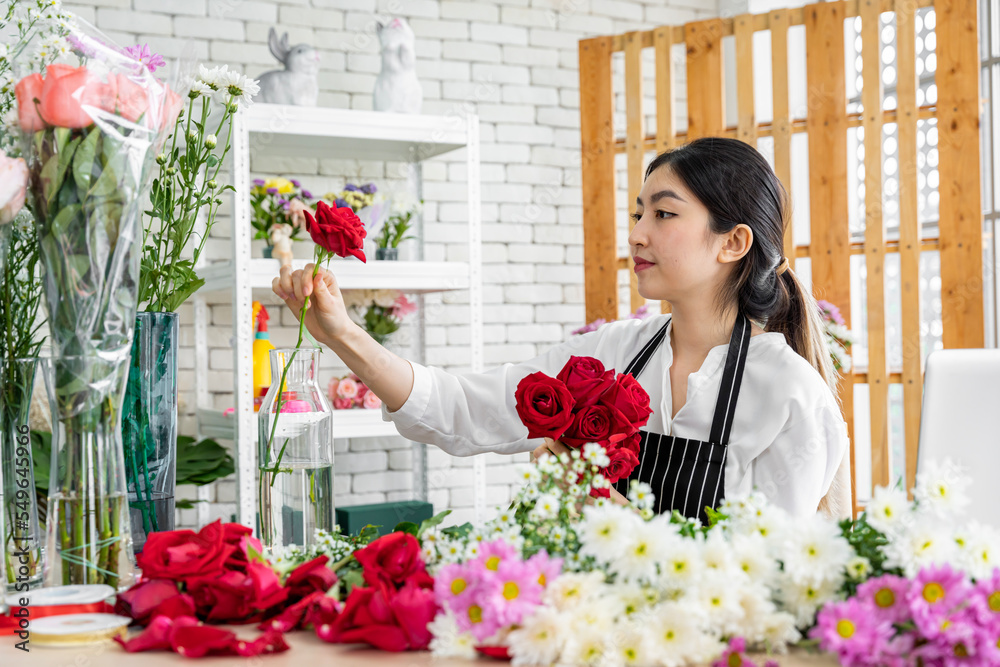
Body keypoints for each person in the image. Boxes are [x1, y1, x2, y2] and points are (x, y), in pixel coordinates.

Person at [272, 137, 853, 521]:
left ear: (734, 241)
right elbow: (458, 408)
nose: (637, 234)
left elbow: (764, 581)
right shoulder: (609, 356)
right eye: (638, 213)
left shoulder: (790, 394)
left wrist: (598, 500)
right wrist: (342, 333)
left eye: (665, 214)